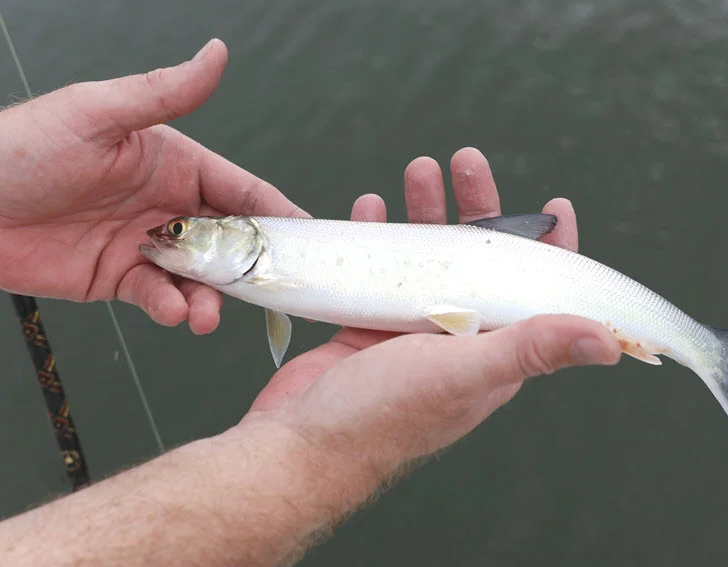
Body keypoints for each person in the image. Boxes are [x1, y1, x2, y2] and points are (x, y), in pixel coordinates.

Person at [0, 39, 620, 566]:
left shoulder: (264, 266)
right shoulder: (256, 274)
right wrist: (308, 450)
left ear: (237, 237)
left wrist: (307, 453)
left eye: (182, 231)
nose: (166, 238)